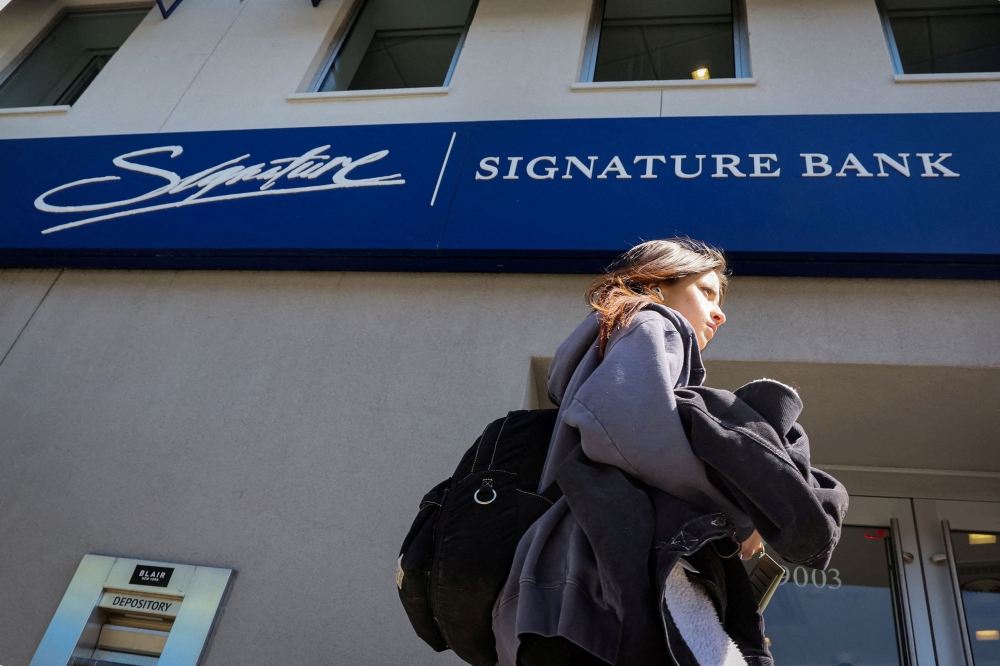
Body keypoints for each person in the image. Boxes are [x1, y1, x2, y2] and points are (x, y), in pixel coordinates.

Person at [492, 238, 816, 666]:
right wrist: (742, 508)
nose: (720, 313)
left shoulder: (604, 344)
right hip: (606, 586)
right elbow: (627, 430)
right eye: (706, 292)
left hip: (554, 590)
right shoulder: (653, 321)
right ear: (658, 284)